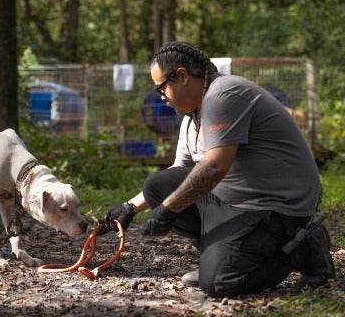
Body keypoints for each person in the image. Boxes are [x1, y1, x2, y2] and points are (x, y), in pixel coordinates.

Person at [100, 41, 333, 298]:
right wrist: (129, 208)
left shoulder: (223, 94)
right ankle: (223, 254)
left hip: (276, 207)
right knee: (157, 185)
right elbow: (180, 172)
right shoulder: (192, 116)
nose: (161, 97)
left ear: (182, 75)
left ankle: (303, 250)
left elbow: (213, 167)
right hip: (239, 201)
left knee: (220, 283)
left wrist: (168, 209)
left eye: (161, 88)